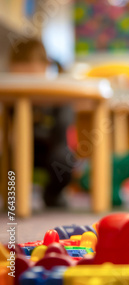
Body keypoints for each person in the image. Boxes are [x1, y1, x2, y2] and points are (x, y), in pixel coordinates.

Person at [7, 38, 74, 207]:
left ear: (45, 66)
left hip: (49, 151)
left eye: (31, 65)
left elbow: (62, 135)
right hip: (16, 150)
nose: (26, 72)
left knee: (65, 159)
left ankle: (52, 194)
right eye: (20, 65)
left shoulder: (58, 94)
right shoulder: (9, 96)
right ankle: (10, 198)